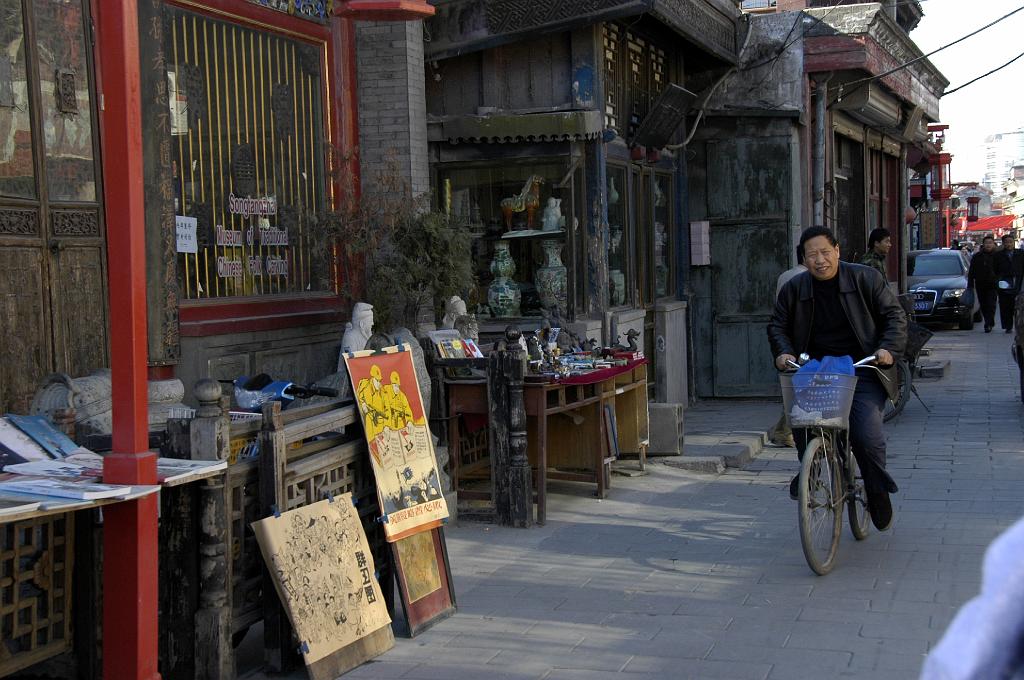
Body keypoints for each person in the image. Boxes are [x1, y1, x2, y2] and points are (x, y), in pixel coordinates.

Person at [768, 226, 907, 531]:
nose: (819, 260)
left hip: (863, 369)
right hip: (816, 372)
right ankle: (811, 467)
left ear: (838, 250)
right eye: (812, 255)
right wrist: (783, 352)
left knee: (865, 435)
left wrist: (887, 349)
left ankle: (876, 488)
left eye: (825, 252)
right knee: (803, 424)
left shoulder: (865, 278)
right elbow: (777, 326)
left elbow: (895, 317)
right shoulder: (795, 289)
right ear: (803, 259)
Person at [768, 246, 807, 448]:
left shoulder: (785, 275)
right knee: (799, 386)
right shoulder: (806, 278)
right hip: (800, 339)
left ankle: (782, 429)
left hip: (787, 338)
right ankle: (784, 430)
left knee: (793, 385)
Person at [968, 236, 999, 333]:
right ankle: (988, 321)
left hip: (993, 284)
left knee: (991, 304)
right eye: (986, 243)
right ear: (983, 244)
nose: (988, 245)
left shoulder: (998, 256)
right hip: (980, 284)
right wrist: (970, 284)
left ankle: (988, 324)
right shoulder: (977, 256)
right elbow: (971, 271)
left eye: (990, 243)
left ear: (993, 244)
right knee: (984, 304)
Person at [995, 234, 1024, 333]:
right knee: (1005, 305)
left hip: (1017, 281)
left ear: (1014, 242)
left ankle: (1018, 325)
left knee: (1017, 306)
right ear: (1003, 243)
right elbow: (995, 269)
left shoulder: (1020, 253)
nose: (1009, 244)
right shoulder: (998, 255)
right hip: (1004, 281)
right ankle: (1008, 326)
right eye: (1006, 242)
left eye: (1011, 242)